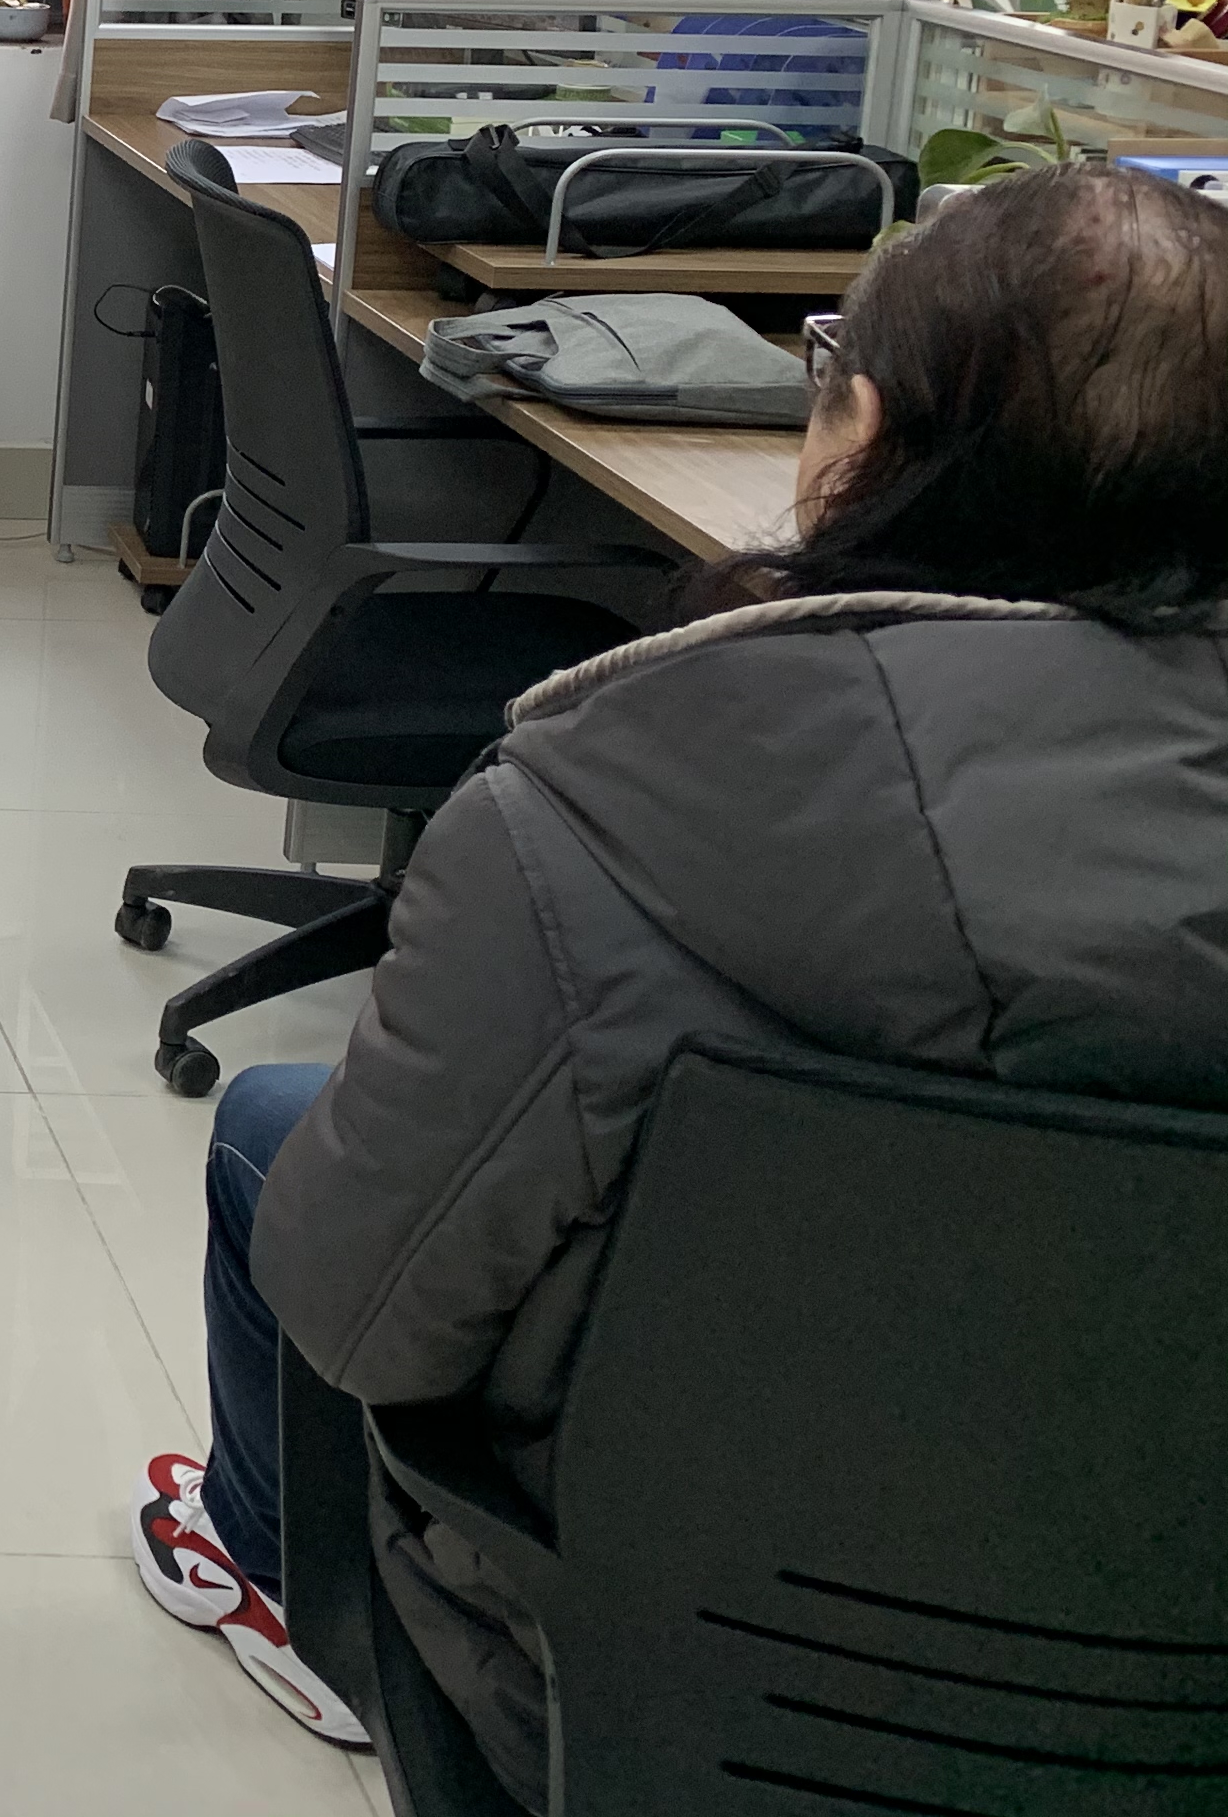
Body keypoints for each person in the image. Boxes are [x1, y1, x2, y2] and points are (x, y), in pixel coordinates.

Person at [137, 166, 1228, 1797]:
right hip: (1177, 1706)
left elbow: (364, 1316)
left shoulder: (585, 809)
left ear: (859, 438)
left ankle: (261, 1560)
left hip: (632, 1670)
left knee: (276, 1140)